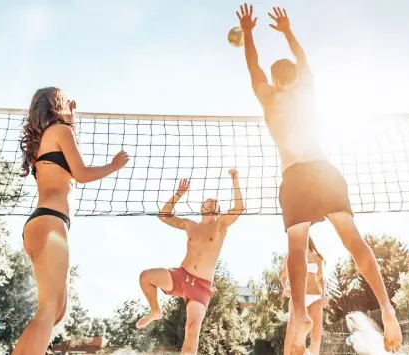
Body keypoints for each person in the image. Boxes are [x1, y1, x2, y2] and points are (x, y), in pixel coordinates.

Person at [236, 4, 403, 354]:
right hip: (324, 171)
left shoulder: (268, 98)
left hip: (294, 174)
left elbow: (253, 68)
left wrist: (249, 32)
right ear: (294, 77)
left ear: (274, 79)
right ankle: (387, 307)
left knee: (296, 247)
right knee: (354, 242)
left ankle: (299, 312)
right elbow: (303, 58)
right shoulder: (305, 91)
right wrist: (287, 31)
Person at [13, 87, 129, 355]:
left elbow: (65, 154)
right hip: (50, 223)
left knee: (56, 313)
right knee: (49, 312)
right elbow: (81, 173)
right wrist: (113, 166)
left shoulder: (46, 137)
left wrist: (71, 117)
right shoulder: (60, 131)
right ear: (57, 104)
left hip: (41, 225)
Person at [136, 169, 244, 355]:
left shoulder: (221, 225)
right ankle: (155, 311)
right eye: (207, 201)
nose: (211, 202)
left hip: (201, 286)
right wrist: (179, 194)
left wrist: (235, 180)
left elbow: (239, 208)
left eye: (215, 202)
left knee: (192, 331)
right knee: (146, 276)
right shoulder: (190, 225)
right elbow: (164, 215)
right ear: (201, 208)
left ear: (218, 210)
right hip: (180, 276)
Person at [280, 237, 325, 355]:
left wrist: (324, 294)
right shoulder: (292, 255)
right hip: (298, 296)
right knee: (291, 329)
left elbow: (320, 279)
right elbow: (284, 276)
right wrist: (285, 287)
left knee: (316, 335)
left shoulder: (317, 257)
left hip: (315, 296)